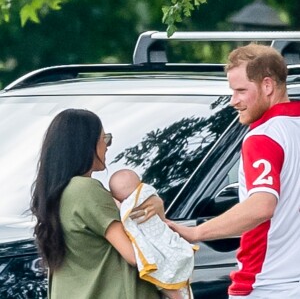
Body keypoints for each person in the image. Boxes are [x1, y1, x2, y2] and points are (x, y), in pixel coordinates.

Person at [166, 43, 300, 299]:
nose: (233, 101)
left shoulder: (263, 137)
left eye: (240, 91)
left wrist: (196, 232)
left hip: (265, 284)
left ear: (268, 85)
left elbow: (261, 206)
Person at [30, 109, 161, 299]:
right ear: (85, 144)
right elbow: (135, 255)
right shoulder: (85, 190)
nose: (107, 146)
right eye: (104, 138)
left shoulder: (56, 192)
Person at [109, 169, 198, 299]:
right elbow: (163, 220)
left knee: (163, 270)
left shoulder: (126, 206)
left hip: (158, 249)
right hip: (166, 247)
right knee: (169, 273)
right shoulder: (149, 196)